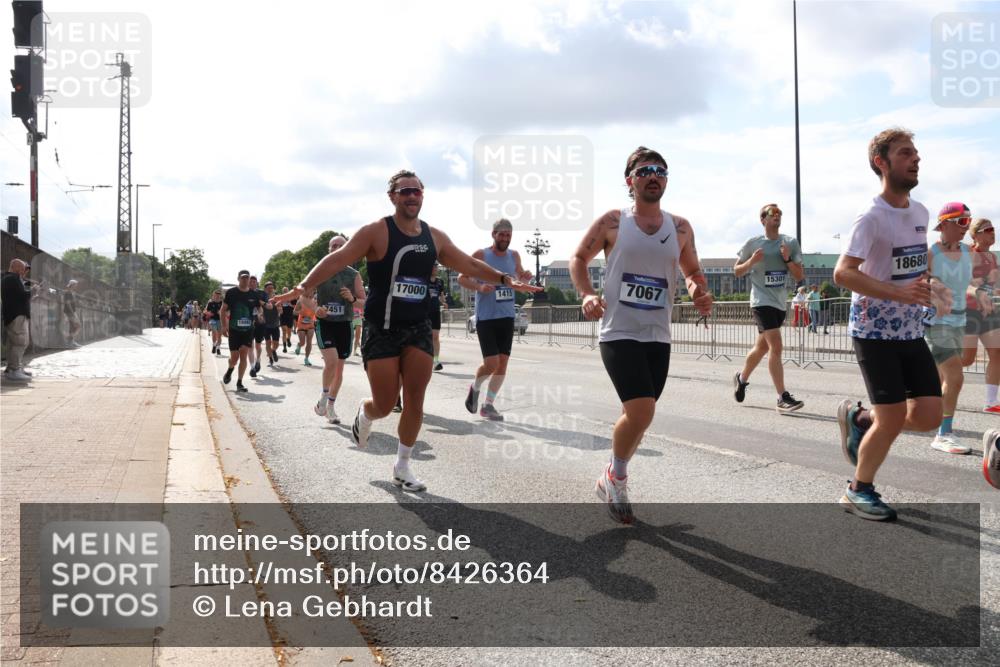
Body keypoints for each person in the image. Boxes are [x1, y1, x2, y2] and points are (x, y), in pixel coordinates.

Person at [273, 169, 539, 493]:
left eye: (416, 191)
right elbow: (338, 259)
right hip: (381, 329)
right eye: (404, 191)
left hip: (418, 329)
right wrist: (302, 286)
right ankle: (365, 412)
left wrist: (505, 279)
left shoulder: (434, 237)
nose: (411, 196)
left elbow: (467, 265)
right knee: (384, 404)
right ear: (392, 196)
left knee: (415, 400)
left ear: (423, 195)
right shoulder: (376, 231)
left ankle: (402, 465)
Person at [570, 146, 713, 524]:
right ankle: (616, 477)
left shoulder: (680, 227)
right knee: (642, 409)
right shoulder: (613, 222)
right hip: (618, 330)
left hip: (658, 334)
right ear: (630, 180)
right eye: (646, 170)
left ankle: (613, 472)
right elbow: (578, 259)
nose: (654, 176)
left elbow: (693, 272)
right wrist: (586, 294)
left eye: (661, 171)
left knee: (639, 417)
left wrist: (698, 290)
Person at [834, 127, 946, 521]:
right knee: (895, 417)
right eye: (905, 153)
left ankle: (861, 419)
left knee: (932, 415)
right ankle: (857, 489)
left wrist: (934, 287)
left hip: (911, 331)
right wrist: (898, 295)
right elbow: (843, 274)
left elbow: (916, 263)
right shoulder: (871, 217)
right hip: (874, 331)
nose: (916, 159)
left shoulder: (920, 213)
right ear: (881, 163)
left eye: (916, 152)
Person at [458, 219, 535, 421]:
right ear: (493, 234)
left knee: (502, 364)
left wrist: (526, 276)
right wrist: (480, 288)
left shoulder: (514, 255)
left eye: (508, 234)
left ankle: (488, 405)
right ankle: (475, 387)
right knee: (491, 363)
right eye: (501, 234)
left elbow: (519, 279)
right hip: (487, 317)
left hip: (507, 316)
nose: (505, 238)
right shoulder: (481, 255)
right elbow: (461, 278)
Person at [732, 204, 805, 413]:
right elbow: (736, 271)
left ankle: (742, 378)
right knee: (776, 347)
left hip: (780, 303)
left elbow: (799, 276)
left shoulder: (789, 242)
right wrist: (752, 261)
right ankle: (782, 397)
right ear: (763, 219)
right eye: (773, 213)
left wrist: (787, 259)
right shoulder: (753, 243)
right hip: (761, 301)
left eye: (780, 213)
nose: (777, 216)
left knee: (762, 348)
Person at [925, 202, 975, 455]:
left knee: (942, 379)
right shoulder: (931, 253)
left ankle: (879, 416)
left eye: (969, 221)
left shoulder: (968, 252)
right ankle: (943, 434)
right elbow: (921, 280)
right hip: (937, 322)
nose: (967, 227)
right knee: (955, 377)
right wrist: (933, 285)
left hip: (960, 321)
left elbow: (967, 285)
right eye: (962, 222)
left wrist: (981, 294)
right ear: (944, 224)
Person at [313, 234, 366, 423]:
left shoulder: (353, 275)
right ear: (328, 250)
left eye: (340, 245)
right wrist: (315, 309)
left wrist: (352, 299)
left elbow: (363, 302)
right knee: (332, 362)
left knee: (339, 370)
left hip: (344, 324)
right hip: (325, 323)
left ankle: (330, 407)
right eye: (333, 245)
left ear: (347, 249)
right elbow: (303, 297)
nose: (336, 248)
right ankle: (324, 397)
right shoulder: (319, 272)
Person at [962, 217, 1000, 413]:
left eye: (993, 228)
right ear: (975, 234)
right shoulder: (967, 254)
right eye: (988, 229)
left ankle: (991, 402)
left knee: (997, 353)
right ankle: (937, 370)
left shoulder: (992, 258)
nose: (993, 232)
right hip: (969, 311)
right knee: (966, 359)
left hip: (989, 312)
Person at [220, 270, 265, 393]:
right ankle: (230, 369)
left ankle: (239, 382)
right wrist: (224, 326)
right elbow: (223, 310)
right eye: (243, 278)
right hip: (234, 329)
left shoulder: (254, 295)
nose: (245, 280)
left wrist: (260, 315)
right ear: (238, 279)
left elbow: (259, 308)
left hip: (248, 329)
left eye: (247, 278)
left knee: (244, 355)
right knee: (234, 358)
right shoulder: (231, 293)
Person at [2, 259, 34, 382]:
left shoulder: (9, 278)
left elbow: (18, 296)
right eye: (22, 268)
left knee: (14, 343)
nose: (24, 271)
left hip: (14, 315)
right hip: (17, 316)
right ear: (15, 267)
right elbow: (22, 295)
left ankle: (13, 368)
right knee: (21, 342)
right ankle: (14, 370)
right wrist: (34, 290)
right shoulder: (13, 278)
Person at [428, 265, 446, 371]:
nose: (435, 269)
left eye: (436, 267)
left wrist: (443, 302)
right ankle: (425, 359)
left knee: (435, 337)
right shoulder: (424, 280)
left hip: (435, 312)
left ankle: (436, 361)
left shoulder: (440, 282)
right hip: (425, 312)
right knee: (426, 337)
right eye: (433, 267)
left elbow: (441, 295)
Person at [293, 289, 318, 366]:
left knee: (309, 341)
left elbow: (317, 312)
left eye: (312, 292)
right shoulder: (300, 301)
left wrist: (317, 318)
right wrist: (300, 311)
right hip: (301, 323)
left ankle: (306, 358)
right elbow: (294, 312)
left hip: (311, 324)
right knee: (303, 342)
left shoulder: (315, 302)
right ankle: (299, 345)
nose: (311, 293)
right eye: (309, 291)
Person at [261, 282, 282, 365]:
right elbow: (259, 310)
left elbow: (281, 311)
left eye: (272, 287)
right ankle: (270, 359)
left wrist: (279, 308)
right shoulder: (262, 300)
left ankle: (273, 351)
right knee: (268, 343)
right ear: (265, 289)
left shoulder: (277, 299)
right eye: (269, 287)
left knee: (276, 344)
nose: (270, 289)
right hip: (266, 325)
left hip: (275, 324)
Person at [204, 289, 224, 355]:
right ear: (213, 295)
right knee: (214, 332)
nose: (217, 296)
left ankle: (218, 348)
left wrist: (221, 313)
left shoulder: (222, 303)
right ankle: (214, 344)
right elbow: (205, 311)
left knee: (219, 336)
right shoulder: (210, 303)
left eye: (218, 295)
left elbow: (226, 311)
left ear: (220, 296)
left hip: (220, 320)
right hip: (213, 319)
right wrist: (209, 313)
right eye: (216, 295)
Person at [63, 279, 82, 347]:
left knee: (73, 326)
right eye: (75, 285)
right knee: (77, 325)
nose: (76, 286)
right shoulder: (68, 292)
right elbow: (68, 303)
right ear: (72, 285)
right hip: (70, 312)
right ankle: (70, 341)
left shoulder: (71, 292)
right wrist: (72, 313)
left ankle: (71, 341)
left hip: (72, 311)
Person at [279, 286, 296, 354]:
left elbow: (296, 307)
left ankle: (288, 339)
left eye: (286, 290)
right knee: (284, 331)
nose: (285, 292)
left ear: (288, 291)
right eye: (284, 291)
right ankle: (284, 347)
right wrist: (280, 306)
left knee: (289, 332)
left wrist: (290, 304)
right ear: (283, 292)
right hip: (283, 316)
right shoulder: (280, 299)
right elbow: (278, 306)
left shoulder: (292, 298)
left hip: (290, 316)